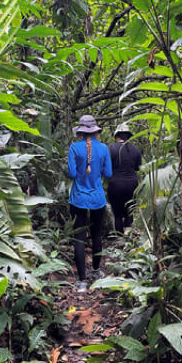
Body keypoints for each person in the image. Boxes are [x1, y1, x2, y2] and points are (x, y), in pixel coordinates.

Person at [67, 114, 112, 293]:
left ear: (80, 132)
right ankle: (95, 271)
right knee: (96, 235)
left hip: (78, 198)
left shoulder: (74, 148)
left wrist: (80, 171)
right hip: (98, 199)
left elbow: (71, 174)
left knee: (79, 237)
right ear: (95, 131)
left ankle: (82, 282)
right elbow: (108, 173)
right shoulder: (104, 148)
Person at [107, 124, 142, 236]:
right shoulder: (135, 150)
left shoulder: (110, 148)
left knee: (117, 213)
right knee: (129, 212)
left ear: (117, 136)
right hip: (132, 184)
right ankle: (128, 236)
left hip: (115, 184)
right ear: (128, 136)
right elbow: (137, 168)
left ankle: (119, 236)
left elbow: (106, 168)